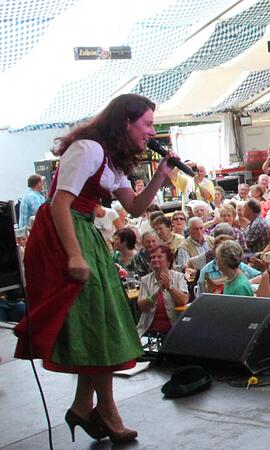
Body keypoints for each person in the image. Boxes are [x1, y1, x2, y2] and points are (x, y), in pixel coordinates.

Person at [14, 94, 175, 443]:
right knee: (100, 322)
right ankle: (105, 409)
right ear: (125, 123)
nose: (151, 131)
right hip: (66, 233)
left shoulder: (110, 159)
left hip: (83, 230)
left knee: (99, 320)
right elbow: (59, 205)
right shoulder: (88, 149)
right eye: (147, 124)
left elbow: (134, 207)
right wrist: (74, 256)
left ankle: (84, 405)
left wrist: (161, 176)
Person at [135, 244, 189, 336]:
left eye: (159, 257)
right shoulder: (145, 280)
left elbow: (183, 301)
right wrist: (157, 293)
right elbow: (142, 307)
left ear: (168, 261)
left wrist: (169, 287)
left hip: (174, 329)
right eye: (152, 257)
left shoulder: (179, 277)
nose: (155, 259)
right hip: (149, 330)